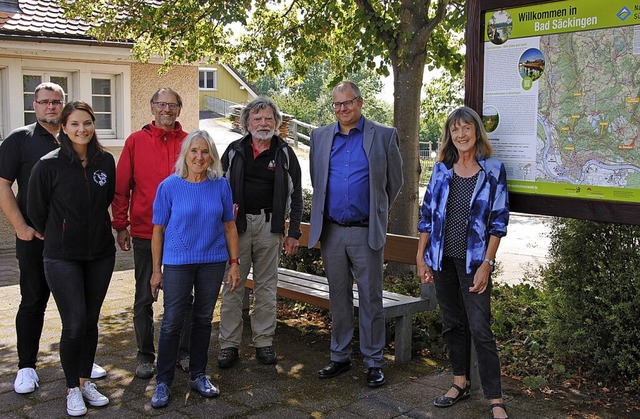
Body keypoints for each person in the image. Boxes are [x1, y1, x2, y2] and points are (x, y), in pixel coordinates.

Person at [0, 83, 106, 395]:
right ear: (34, 105)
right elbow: (3, 184)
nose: (51, 107)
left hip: (78, 242)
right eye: (44, 102)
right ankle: (26, 365)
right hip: (35, 237)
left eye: (57, 102)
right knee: (33, 300)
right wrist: (21, 227)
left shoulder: (78, 140)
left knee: (81, 309)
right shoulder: (20, 139)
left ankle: (81, 365)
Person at [308, 80, 403, 388]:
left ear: (360, 103)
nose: (342, 109)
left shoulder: (384, 136)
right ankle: (340, 356)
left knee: (371, 298)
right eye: (337, 104)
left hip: (366, 231)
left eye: (347, 103)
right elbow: (318, 179)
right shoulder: (320, 137)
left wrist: (376, 209)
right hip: (333, 231)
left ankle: (374, 362)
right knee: (338, 297)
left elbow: (394, 183)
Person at [416, 106, 509, 419]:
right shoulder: (441, 168)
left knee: (481, 328)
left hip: (474, 263)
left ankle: (495, 398)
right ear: (449, 135)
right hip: (442, 259)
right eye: (455, 129)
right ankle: (459, 382)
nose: (461, 134)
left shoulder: (493, 170)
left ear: (476, 131)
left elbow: (498, 221)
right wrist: (421, 256)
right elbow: (427, 215)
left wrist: (487, 263)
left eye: (466, 128)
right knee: (453, 323)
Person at [27, 101, 115, 416]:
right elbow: (36, 212)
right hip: (62, 256)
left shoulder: (105, 161)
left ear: (94, 125)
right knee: (74, 322)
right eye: (75, 124)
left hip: (101, 255)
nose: (82, 129)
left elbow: (105, 200)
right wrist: (60, 231)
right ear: (64, 127)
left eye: (88, 123)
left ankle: (85, 380)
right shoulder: (48, 165)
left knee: (91, 320)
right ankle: (71, 389)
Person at [149, 130, 240, 408]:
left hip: (212, 261)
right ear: (185, 155)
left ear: (211, 155)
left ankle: (199, 374)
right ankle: (163, 381)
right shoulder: (169, 186)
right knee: (172, 320)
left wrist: (234, 264)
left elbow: (229, 226)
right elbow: (158, 231)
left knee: (202, 319)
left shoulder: (220, 185)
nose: (199, 157)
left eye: (204, 152)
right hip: (177, 262)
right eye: (194, 151)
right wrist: (156, 270)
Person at [111, 87, 193, 379]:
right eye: (161, 104)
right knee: (145, 296)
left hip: (183, 236)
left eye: (172, 105)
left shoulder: (189, 142)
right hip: (146, 233)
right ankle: (145, 355)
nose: (166, 110)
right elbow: (122, 188)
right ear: (152, 107)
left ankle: (183, 353)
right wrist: (121, 225)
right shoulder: (135, 141)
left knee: (184, 298)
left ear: (179, 109)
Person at [217, 97, 303, 368]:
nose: (263, 124)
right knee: (233, 285)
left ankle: (264, 342)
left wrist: (294, 232)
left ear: (277, 123)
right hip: (236, 228)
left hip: (270, 227)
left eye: (268, 119)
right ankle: (229, 345)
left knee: (266, 288)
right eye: (257, 119)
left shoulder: (286, 154)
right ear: (247, 123)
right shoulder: (233, 151)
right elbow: (218, 189)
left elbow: (297, 196)